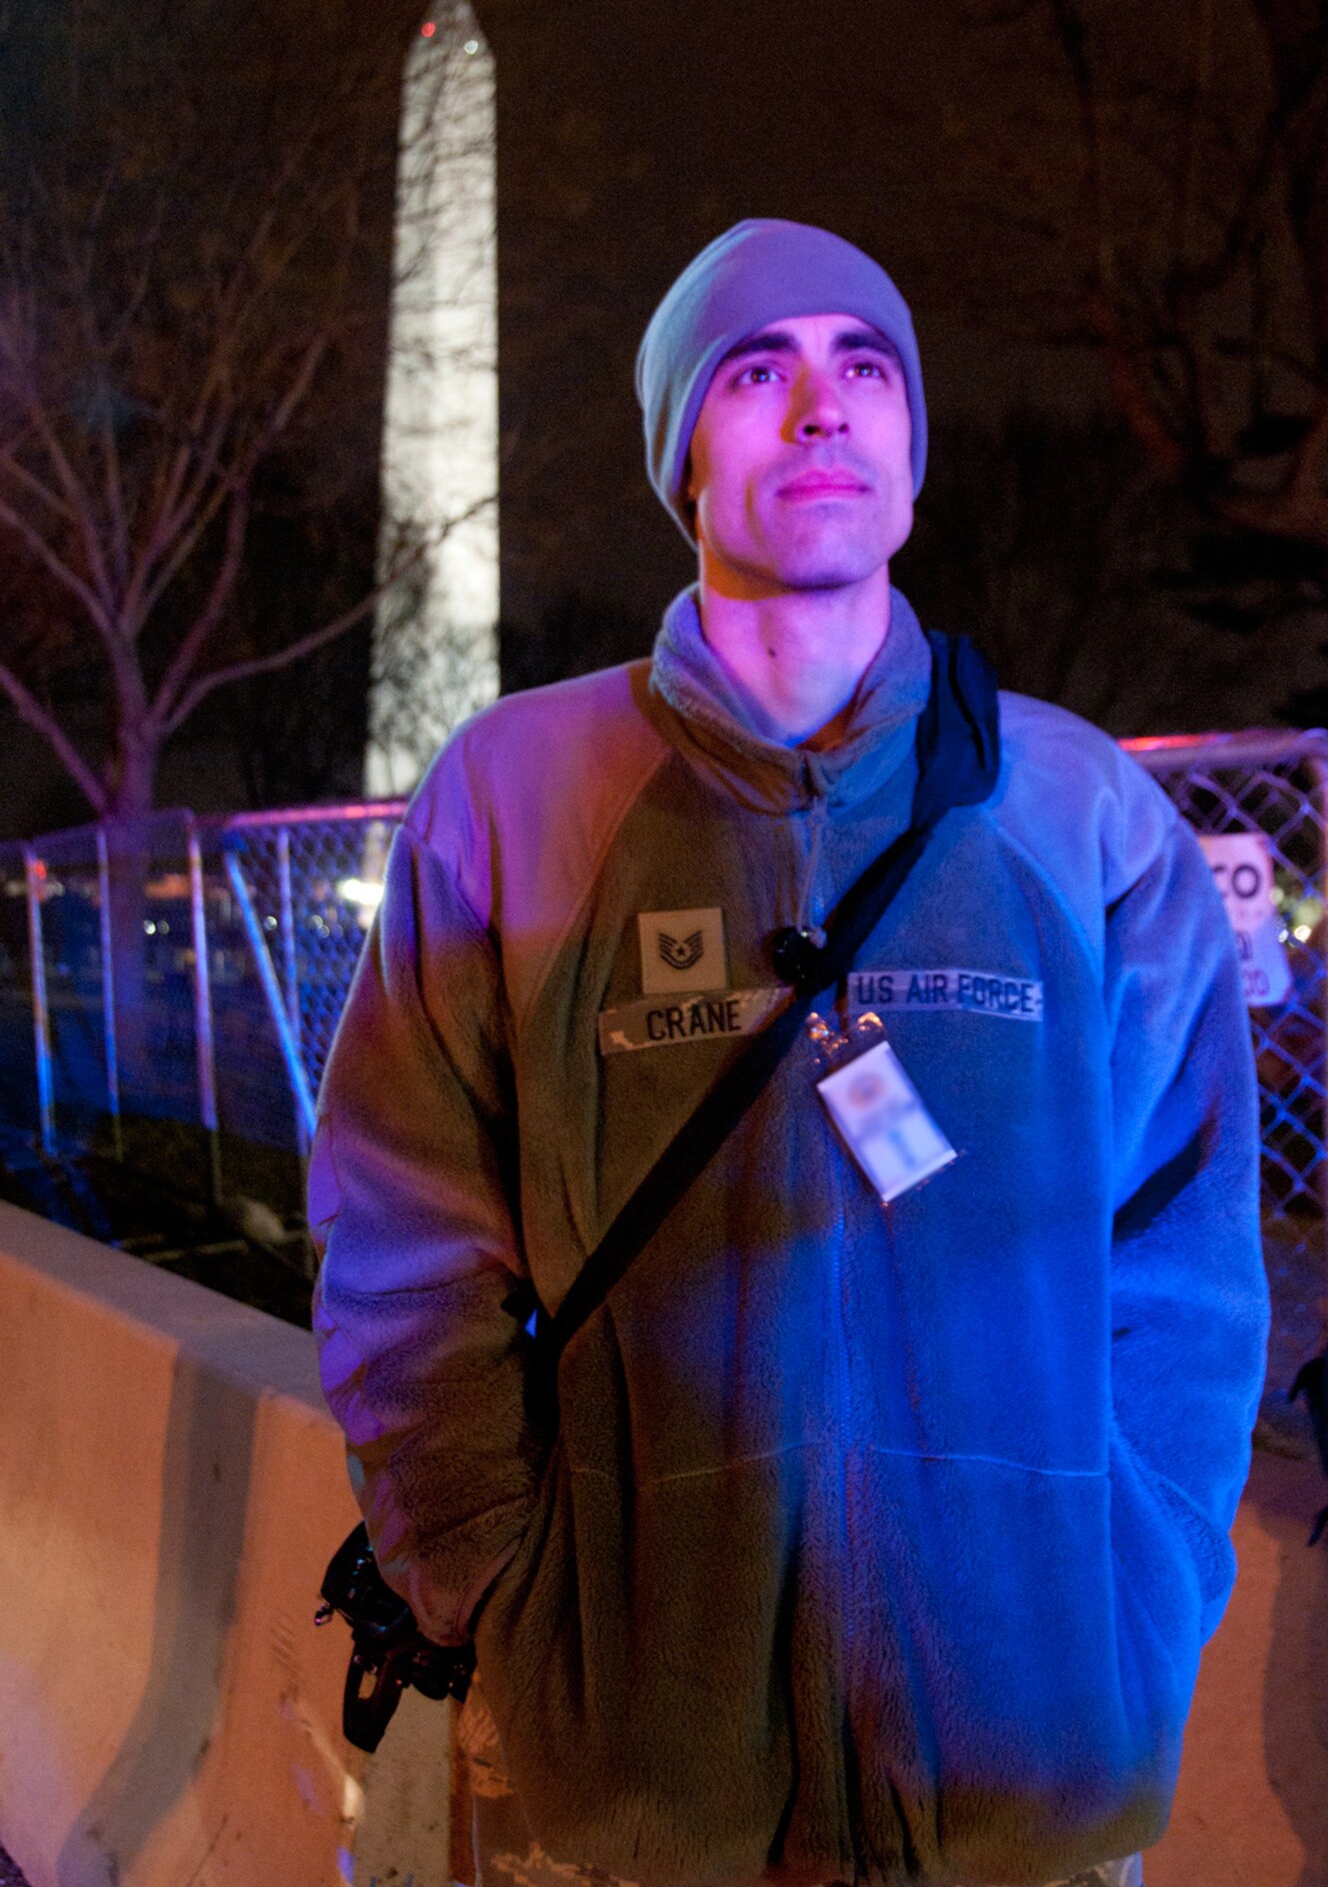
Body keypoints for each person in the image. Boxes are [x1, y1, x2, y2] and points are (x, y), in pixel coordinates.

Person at [309, 219, 1269, 1887]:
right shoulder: (517, 802)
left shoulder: (1083, 811)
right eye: (759, 372)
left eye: (867, 369)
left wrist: (1143, 1572)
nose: (822, 408)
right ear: (685, 453)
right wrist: (500, 1582)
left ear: (911, 452)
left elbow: (1185, 1261)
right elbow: (407, 1238)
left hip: (1027, 1786)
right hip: (643, 1784)